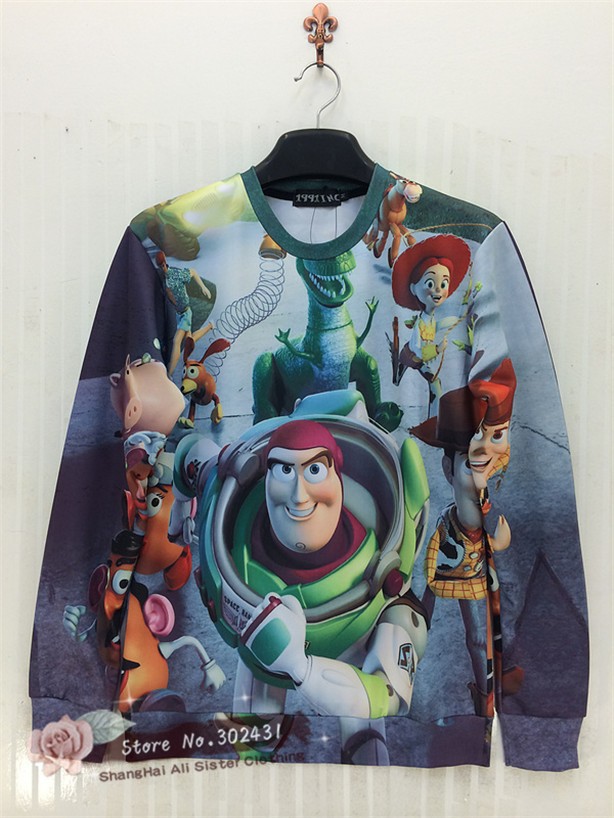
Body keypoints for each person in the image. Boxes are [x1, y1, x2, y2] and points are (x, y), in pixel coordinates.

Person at [391, 234, 472, 412]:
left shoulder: (432, 319)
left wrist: (463, 306)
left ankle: (435, 418)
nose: (438, 290)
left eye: (443, 284)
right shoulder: (420, 323)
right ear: (413, 288)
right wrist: (436, 349)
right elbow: (417, 348)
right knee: (432, 382)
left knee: (434, 383)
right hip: (413, 356)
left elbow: (448, 322)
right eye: (430, 283)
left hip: (417, 356)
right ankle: (435, 417)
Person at [155, 250, 214, 375]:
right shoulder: (164, 279)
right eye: (160, 266)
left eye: (163, 265)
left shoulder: (176, 274)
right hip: (179, 314)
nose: (162, 268)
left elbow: (193, 271)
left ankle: (169, 373)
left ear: (165, 263)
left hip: (186, 313)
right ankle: (210, 326)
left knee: (177, 341)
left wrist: (203, 287)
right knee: (189, 341)